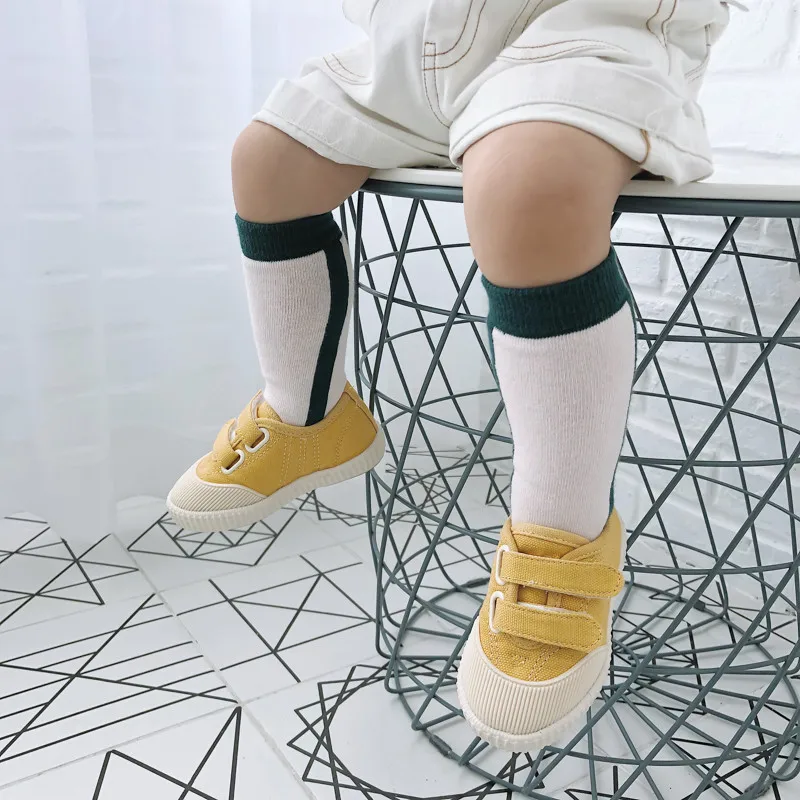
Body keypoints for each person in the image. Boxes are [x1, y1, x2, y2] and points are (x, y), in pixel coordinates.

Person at [168, 0, 731, 751]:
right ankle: (307, 415)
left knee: (528, 184)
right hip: (420, 39)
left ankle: (560, 539)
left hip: (588, 28)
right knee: (266, 160)